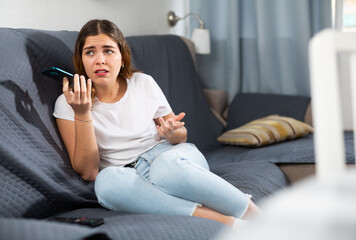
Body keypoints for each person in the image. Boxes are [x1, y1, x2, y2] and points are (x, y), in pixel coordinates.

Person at [53, 19, 260, 227]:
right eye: (90, 52)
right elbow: (89, 172)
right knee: (105, 183)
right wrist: (83, 112)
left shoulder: (143, 83)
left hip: (170, 158)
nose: (99, 60)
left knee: (165, 168)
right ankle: (227, 222)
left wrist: (171, 133)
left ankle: (259, 217)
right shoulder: (68, 103)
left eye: (108, 51)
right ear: (81, 60)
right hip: (127, 176)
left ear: (122, 58)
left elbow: (181, 135)